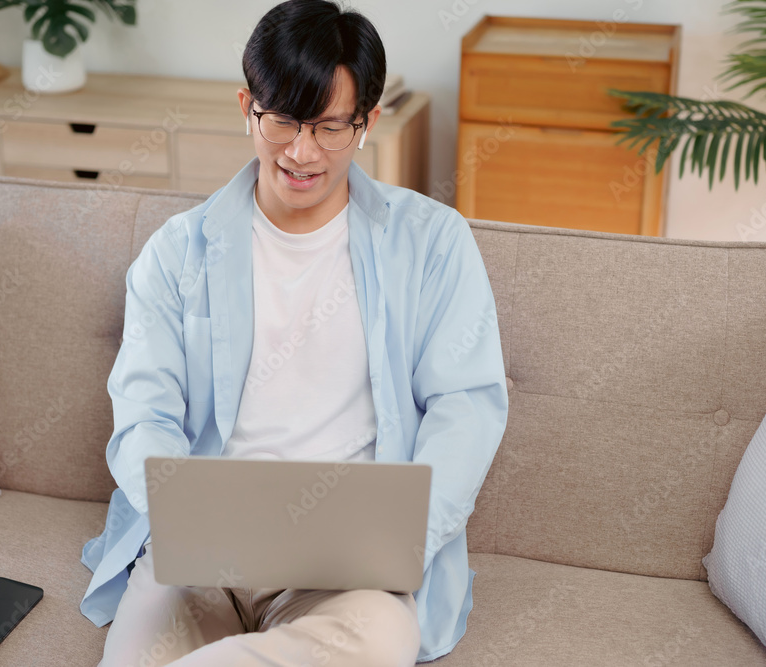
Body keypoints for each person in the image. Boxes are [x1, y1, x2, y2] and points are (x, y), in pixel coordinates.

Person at [78, 0, 508, 664]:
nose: (302, 153)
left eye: (330, 128)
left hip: (348, 571)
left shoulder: (433, 243)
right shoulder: (175, 252)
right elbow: (144, 418)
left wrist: (404, 544)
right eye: (281, 121)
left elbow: (467, 408)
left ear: (367, 123)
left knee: (381, 638)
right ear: (247, 107)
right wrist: (183, 522)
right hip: (202, 562)